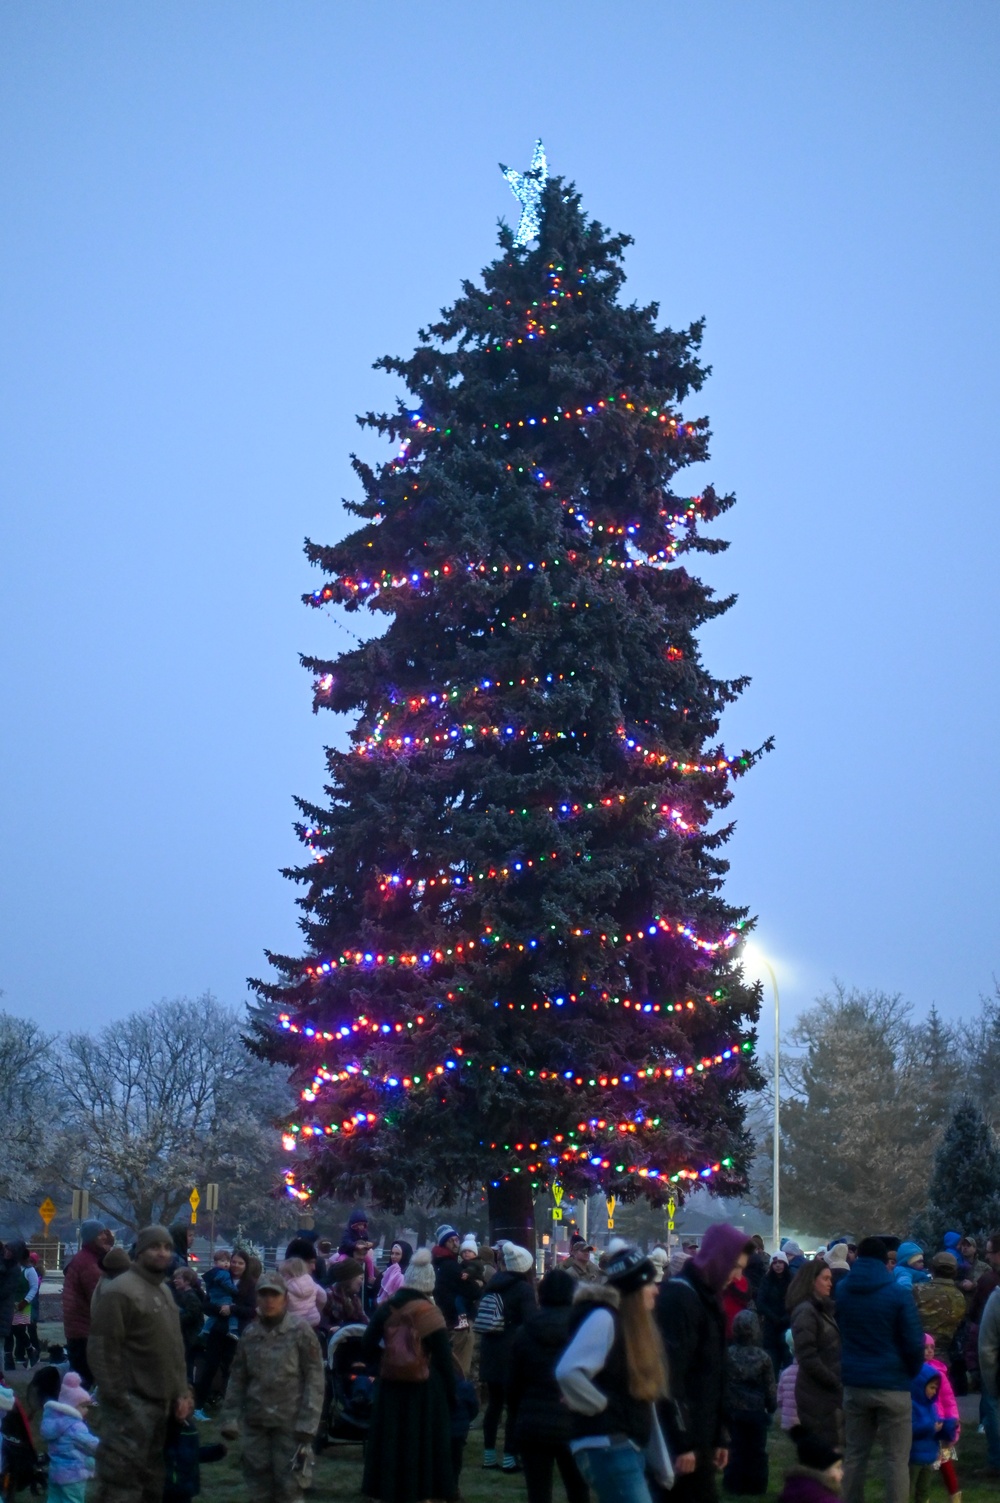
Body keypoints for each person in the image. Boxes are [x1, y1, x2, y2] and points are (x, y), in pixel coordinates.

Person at [556, 1244, 671, 1503]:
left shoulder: (628, 1327)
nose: (656, 1289)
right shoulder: (604, 1318)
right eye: (651, 1283)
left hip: (621, 1445)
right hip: (607, 1446)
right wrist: (601, 1405)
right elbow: (568, 1371)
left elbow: (642, 1402)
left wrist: (660, 1463)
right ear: (634, 1287)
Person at [87, 1224, 192, 1503]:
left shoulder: (164, 1291)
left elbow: (174, 1348)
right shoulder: (121, 1291)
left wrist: (182, 1392)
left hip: (162, 1408)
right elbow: (101, 1350)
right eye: (155, 1247)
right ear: (140, 1250)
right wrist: (120, 1400)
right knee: (120, 1486)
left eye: (167, 1247)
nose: (162, 1253)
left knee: (151, 1486)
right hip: (130, 1408)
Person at [655, 1223, 754, 1503]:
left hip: (702, 1433)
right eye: (735, 1266)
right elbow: (670, 1375)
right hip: (683, 1438)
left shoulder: (707, 1298)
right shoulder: (680, 1298)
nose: (737, 1277)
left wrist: (720, 1435)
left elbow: (715, 1370)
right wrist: (682, 1442)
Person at [359, 1247, 456, 1503]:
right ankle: (421, 1491)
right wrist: (452, 1396)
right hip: (424, 1391)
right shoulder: (430, 1313)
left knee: (391, 1444)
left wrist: (384, 1363)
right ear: (428, 1284)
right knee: (419, 1446)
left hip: (390, 1388)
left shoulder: (386, 1308)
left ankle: (386, 1491)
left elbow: (366, 1346)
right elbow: (445, 1362)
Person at [220, 1271, 324, 1503]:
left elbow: (315, 1379)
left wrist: (309, 1422)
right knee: (258, 1488)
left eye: (274, 1295)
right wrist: (229, 1417)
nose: (269, 1300)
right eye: (263, 1295)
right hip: (256, 1423)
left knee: (290, 1488)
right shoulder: (250, 1334)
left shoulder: (301, 1332)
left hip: (291, 1425)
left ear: (285, 1298)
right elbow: (237, 1378)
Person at [835, 1235, 925, 1503]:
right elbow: (913, 1341)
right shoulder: (897, 1293)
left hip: (855, 1382)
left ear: (858, 1256)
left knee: (854, 1456)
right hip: (893, 1383)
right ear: (886, 1259)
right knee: (896, 1459)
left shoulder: (842, 1290)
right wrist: (909, 1372)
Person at [507, 1267, 589, 1503]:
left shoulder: (525, 1332)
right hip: (574, 1419)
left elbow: (513, 1384)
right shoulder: (582, 1330)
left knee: (538, 1493)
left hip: (533, 1421)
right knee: (578, 1489)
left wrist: (515, 1416)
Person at [477, 1241, 538, 1472]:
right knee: (514, 1407)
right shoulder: (523, 1290)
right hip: (512, 1354)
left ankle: (489, 1455)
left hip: (491, 1350)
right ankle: (510, 1457)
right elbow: (531, 1322)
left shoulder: (493, 1284)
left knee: (493, 1405)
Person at [193, 1246, 257, 1417]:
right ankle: (199, 1405)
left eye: (240, 1263)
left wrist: (233, 1309)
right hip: (217, 1329)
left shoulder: (250, 1285)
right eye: (233, 1262)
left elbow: (252, 1310)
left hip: (237, 1332)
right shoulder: (219, 1277)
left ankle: (232, 1406)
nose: (235, 1265)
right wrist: (219, 1309)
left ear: (246, 1265)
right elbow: (205, 1305)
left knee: (233, 1369)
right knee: (210, 1366)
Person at [788, 1258, 842, 1448]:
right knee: (823, 1454)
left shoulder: (821, 1310)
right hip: (816, 1394)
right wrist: (834, 1381)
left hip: (823, 1393)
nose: (830, 1283)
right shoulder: (806, 1312)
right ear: (812, 1281)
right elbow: (807, 1357)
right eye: (825, 1278)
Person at [723, 1309, 777, 1494]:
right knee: (757, 1451)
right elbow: (770, 1388)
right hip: (756, 1412)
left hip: (733, 1411)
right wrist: (771, 1406)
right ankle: (757, 1486)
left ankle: (733, 1485)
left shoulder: (728, 1354)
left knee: (735, 1449)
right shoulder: (764, 1358)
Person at [33, 1363, 99, 1503]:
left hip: (55, 1472)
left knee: (54, 1499)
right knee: (73, 1500)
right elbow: (91, 1445)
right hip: (73, 1475)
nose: (87, 1410)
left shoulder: (53, 1420)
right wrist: (105, 1446)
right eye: (85, 1407)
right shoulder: (75, 1427)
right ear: (75, 1407)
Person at [61, 1222, 114, 1385]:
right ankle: (75, 1406)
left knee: (82, 1374)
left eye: (105, 1233)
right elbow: (99, 1297)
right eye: (100, 1234)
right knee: (84, 1377)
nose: (104, 1236)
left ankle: (76, 1404)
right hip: (84, 1329)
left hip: (80, 1328)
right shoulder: (88, 1264)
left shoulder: (90, 1257)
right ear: (91, 1238)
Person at [908, 1363, 956, 1503]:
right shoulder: (911, 1406)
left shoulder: (932, 1406)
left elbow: (936, 1426)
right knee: (908, 1489)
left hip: (929, 1457)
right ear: (920, 1385)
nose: (934, 1392)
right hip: (914, 1457)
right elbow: (910, 1429)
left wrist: (948, 1426)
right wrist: (931, 1427)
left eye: (936, 1388)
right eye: (932, 1387)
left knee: (924, 1491)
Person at [432, 1225, 474, 1377]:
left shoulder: (438, 1264)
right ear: (444, 1244)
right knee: (460, 1369)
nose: (456, 1244)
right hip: (459, 1322)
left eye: (457, 1239)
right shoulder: (451, 1266)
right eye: (451, 1241)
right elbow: (473, 1290)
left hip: (446, 1321)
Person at [923, 1333, 961, 1502]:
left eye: (932, 1347)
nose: (929, 1351)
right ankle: (922, 1497)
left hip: (941, 1424)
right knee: (923, 1466)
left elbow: (949, 1400)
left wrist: (954, 1425)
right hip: (922, 1425)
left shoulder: (939, 1373)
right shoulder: (911, 1372)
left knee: (945, 1463)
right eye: (925, 1347)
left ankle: (954, 1496)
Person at [776, 1425, 844, 1503]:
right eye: (837, 1467)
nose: (842, 1472)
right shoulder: (824, 1499)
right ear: (821, 1469)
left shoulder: (793, 1487)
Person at [914, 1253, 967, 1350]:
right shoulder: (960, 1297)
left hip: (916, 1352)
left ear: (932, 1269)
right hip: (943, 1357)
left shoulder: (918, 1290)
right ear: (955, 1272)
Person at [3, 1241, 39, 1371]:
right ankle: (9, 1359)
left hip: (22, 1304)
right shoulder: (9, 1267)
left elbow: (34, 1287)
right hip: (9, 1303)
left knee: (18, 1331)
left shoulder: (29, 1270)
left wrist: (25, 1301)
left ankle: (30, 1350)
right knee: (8, 1332)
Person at [757, 1250, 793, 1377]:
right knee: (772, 1364)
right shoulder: (766, 1281)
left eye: (781, 1262)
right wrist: (773, 1317)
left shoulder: (792, 1280)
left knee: (789, 1361)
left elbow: (795, 1301)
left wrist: (786, 1318)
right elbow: (761, 1302)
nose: (778, 1265)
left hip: (787, 1327)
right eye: (775, 1263)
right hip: (771, 1328)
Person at [977, 1283, 1000, 1478]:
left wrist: (990, 1379)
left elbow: (987, 1345)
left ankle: (996, 1462)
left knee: (994, 1411)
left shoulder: (997, 1299)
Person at [171, 1268, 206, 1385]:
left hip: (191, 1337)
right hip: (187, 1336)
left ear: (187, 1281)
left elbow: (192, 1315)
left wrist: (175, 1319)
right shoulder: (183, 1295)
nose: (175, 1281)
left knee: (188, 1363)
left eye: (178, 1278)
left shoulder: (190, 1296)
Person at [279, 1257, 327, 1328]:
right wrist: (317, 1309)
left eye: (283, 1274)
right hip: (313, 1320)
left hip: (293, 1322)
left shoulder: (286, 1287)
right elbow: (323, 1296)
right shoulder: (311, 1282)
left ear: (288, 1273)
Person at [324, 1258, 367, 1328]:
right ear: (350, 1278)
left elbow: (364, 1320)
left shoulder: (354, 1298)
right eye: (361, 1278)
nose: (362, 1282)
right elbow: (322, 1324)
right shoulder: (329, 1296)